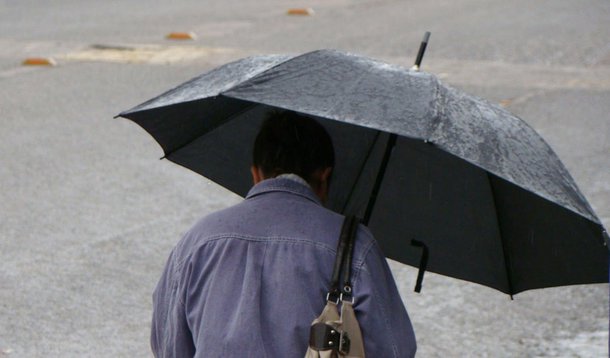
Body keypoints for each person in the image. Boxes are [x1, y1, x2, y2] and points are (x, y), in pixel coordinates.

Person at [151, 110, 417, 357]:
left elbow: (168, 343)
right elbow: (394, 349)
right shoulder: (354, 245)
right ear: (324, 177)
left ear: (256, 173)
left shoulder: (199, 240)